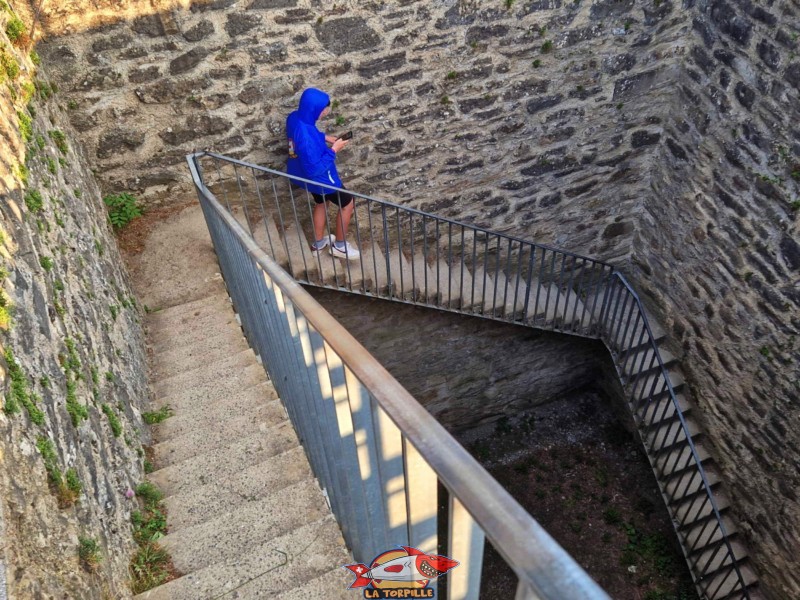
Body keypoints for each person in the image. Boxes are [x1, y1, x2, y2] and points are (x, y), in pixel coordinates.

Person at [286, 87, 360, 260]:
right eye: (323, 109)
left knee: (322, 202)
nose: (325, 112)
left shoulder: (294, 118)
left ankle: (318, 244)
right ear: (314, 109)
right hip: (321, 178)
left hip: (303, 174)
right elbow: (315, 169)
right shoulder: (306, 137)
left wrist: (325, 138)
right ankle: (340, 246)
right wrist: (334, 149)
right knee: (347, 203)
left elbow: (307, 133)